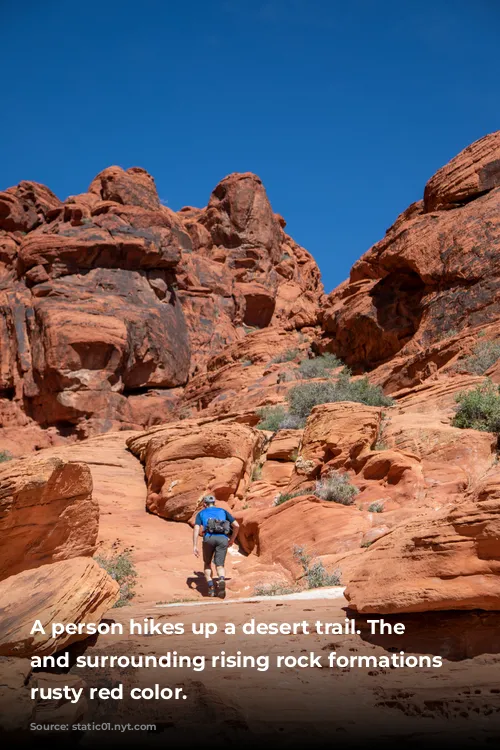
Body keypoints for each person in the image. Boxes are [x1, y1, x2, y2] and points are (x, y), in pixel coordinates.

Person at [193, 494, 239, 598]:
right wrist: (232, 539)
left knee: (207, 563)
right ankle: (221, 579)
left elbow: (196, 529)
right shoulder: (222, 511)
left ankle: (211, 587)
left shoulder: (201, 513)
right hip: (222, 539)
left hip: (208, 538)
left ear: (204, 504)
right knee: (220, 565)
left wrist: (194, 545)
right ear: (214, 503)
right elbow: (236, 525)